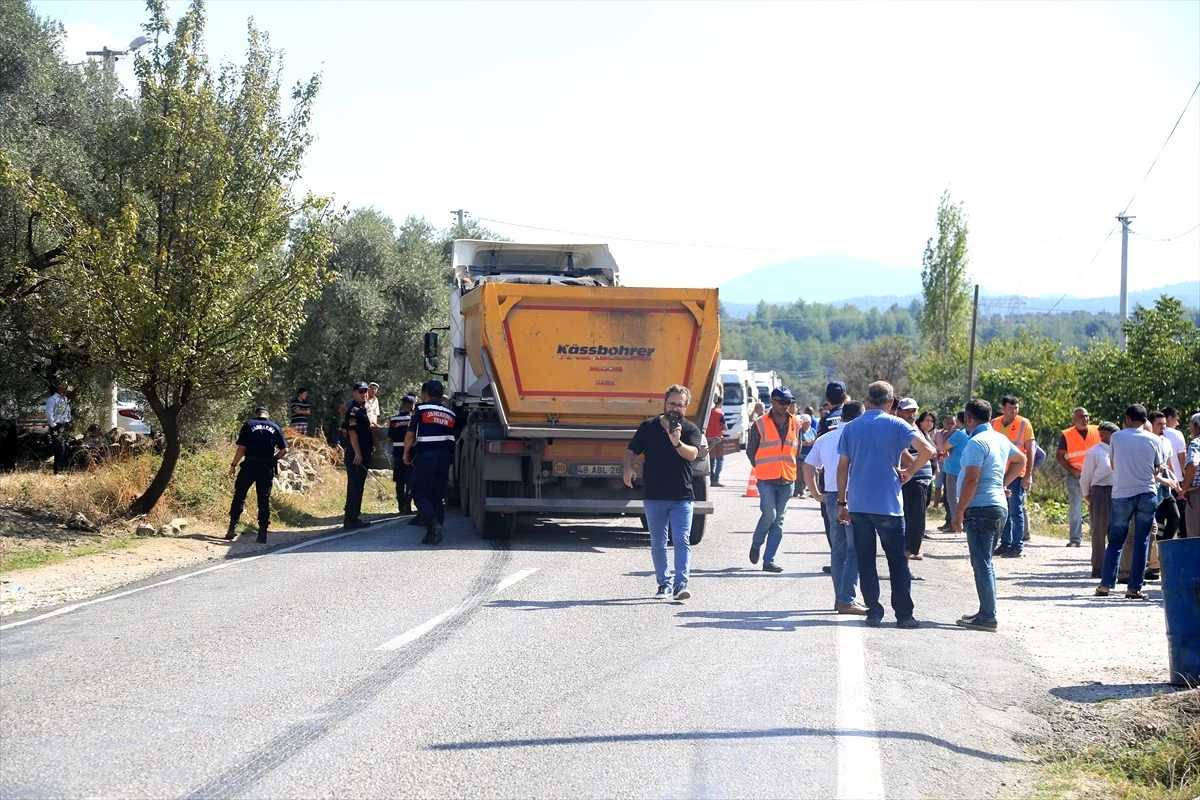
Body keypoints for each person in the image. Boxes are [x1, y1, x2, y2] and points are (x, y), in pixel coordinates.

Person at [836, 380, 936, 629]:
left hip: (859, 503)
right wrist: (910, 471)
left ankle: (874, 611)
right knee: (897, 562)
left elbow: (842, 467)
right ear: (891, 403)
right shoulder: (897, 424)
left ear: (867, 400)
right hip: (888, 504)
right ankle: (903, 615)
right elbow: (928, 450)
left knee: (866, 560)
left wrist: (842, 501)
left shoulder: (852, 427)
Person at [952, 398, 1027, 633]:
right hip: (997, 506)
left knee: (981, 562)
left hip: (981, 508)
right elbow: (1021, 460)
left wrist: (959, 511)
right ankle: (986, 611)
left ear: (970, 418)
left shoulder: (977, 442)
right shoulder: (1000, 438)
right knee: (986, 561)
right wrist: (1001, 483)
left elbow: (972, 479)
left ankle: (987, 615)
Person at [623, 384, 702, 601]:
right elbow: (631, 450)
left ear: (686, 407)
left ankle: (681, 585)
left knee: (681, 540)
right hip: (654, 496)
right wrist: (628, 467)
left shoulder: (690, 430)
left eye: (679, 405)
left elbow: (692, 454)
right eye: (671, 403)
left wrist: (676, 442)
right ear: (664, 404)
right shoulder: (648, 427)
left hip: (682, 497)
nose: (675, 408)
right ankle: (663, 584)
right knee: (658, 542)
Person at [803, 400, 866, 614]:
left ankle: (840, 597)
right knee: (855, 549)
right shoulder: (859, 437)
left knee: (838, 550)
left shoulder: (825, 438)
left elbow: (808, 466)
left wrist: (816, 493)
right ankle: (847, 598)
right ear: (860, 417)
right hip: (853, 497)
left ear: (841, 418)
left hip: (831, 496)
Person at [1096, 404, 1163, 600]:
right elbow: (1156, 469)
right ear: (1145, 420)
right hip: (1146, 492)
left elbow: (1113, 464)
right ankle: (1134, 588)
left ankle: (1105, 585)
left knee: (1116, 540)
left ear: (1127, 418)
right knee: (1142, 541)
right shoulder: (1154, 439)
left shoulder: (1117, 437)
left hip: (1122, 493)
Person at [746, 386, 801, 573]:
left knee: (779, 521)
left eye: (789, 402)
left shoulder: (796, 423)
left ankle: (769, 560)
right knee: (770, 515)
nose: (786, 406)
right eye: (782, 402)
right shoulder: (760, 423)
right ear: (773, 402)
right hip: (766, 479)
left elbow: (797, 448)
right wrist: (763, 466)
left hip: (787, 479)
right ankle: (756, 544)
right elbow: (750, 450)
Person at [404, 380, 457, 545]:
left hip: (426, 457)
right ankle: (434, 532)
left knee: (419, 494)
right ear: (441, 395)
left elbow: (410, 435)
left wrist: (406, 453)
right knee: (437, 496)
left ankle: (432, 524)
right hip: (445, 459)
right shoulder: (450, 414)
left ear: (425, 394)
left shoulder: (421, 409)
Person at [226, 405, 287, 544]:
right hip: (266, 467)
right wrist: (273, 459)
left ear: (256, 414)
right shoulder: (275, 427)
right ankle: (262, 534)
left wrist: (233, 465)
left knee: (239, 495)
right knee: (263, 499)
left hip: (249, 465)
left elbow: (242, 448)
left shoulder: (249, 425)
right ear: (268, 415)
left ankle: (232, 527)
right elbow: (284, 450)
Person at [991, 395, 1036, 557]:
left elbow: (1031, 450)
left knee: (1015, 510)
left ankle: (1017, 545)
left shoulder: (1024, 424)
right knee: (1003, 509)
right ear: (1003, 408)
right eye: (1010, 408)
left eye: (1016, 408)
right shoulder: (994, 423)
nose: (1014, 411)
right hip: (999, 473)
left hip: (1017, 473)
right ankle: (1005, 543)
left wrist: (1028, 474)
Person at [895, 399, 935, 560]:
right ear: (899, 411)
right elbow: (901, 451)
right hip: (913, 479)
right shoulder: (899, 427)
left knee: (917, 522)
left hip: (922, 479)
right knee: (912, 521)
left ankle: (909, 554)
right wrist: (913, 467)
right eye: (908, 411)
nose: (912, 414)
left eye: (914, 411)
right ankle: (904, 561)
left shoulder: (914, 428)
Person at [1055, 407, 1100, 548]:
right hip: (1076, 476)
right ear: (1074, 419)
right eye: (1081, 416)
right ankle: (1075, 539)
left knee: (1095, 507)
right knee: (1075, 507)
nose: (1084, 419)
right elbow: (1059, 456)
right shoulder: (1067, 434)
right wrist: (1072, 470)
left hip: (1095, 476)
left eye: (1086, 416)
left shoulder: (1098, 431)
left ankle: (1096, 538)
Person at [1080, 421, 1119, 578]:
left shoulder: (1120, 451)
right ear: (1103, 434)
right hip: (1100, 491)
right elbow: (1086, 476)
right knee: (1099, 531)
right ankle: (1098, 567)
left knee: (1116, 531)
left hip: (1118, 491)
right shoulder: (1095, 452)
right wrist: (1087, 495)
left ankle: (1114, 566)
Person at [340, 381, 375, 530]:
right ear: (354, 393)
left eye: (366, 392)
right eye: (361, 392)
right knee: (354, 486)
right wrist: (358, 453)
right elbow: (352, 433)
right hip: (356, 455)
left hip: (363, 454)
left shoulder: (362, 409)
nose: (364, 394)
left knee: (358, 486)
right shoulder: (353, 410)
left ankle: (354, 516)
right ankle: (350, 519)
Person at [1149, 410, 1181, 542]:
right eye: (1159, 424)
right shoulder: (1147, 440)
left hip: (1165, 487)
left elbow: (1169, 464)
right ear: (1151, 424)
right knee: (1155, 523)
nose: (1163, 427)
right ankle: (1152, 555)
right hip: (1150, 486)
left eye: (1164, 424)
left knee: (1175, 517)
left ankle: (1163, 546)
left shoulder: (1166, 442)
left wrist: (1177, 484)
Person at [938, 412, 970, 532]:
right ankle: (963, 523)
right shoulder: (970, 433)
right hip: (965, 469)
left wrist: (951, 431)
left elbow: (943, 446)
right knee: (963, 497)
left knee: (952, 498)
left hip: (953, 469)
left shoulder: (958, 434)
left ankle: (954, 523)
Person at [388, 395, 416, 514]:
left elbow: (389, 438)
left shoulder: (394, 420)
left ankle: (400, 505)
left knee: (399, 480)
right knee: (410, 479)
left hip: (397, 452)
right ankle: (408, 504)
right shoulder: (413, 419)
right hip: (411, 452)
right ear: (411, 405)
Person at [1162, 407, 1189, 536]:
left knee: (1160, 517)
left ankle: (1156, 546)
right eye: (1176, 420)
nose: (1178, 423)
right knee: (1178, 517)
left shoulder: (1154, 433)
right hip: (1176, 481)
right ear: (1169, 418)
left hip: (1160, 481)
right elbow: (1183, 460)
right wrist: (1186, 480)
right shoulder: (1177, 434)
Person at [45, 382, 73, 475]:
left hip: (65, 425)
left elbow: (67, 412)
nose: (64, 388)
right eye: (61, 386)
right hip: (57, 425)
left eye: (65, 387)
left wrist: (68, 421)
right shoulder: (52, 399)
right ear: (57, 387)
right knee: (59, 447)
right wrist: (53, 425)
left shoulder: (65, 399)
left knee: (65, 447)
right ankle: (57, 471)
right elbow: (49, 414)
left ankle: (62, 468)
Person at [1183, 412, 1200, 538]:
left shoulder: (1196, 443)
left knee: (1195, 538)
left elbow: (1193, 464)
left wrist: (1185, 488)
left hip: (1197, 494)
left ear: (1196, 426)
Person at [705, 393, 726, 487]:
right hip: (718, 439)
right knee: (720, 460)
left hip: (708, 438)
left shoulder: (709, 412)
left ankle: (711, 479)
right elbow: (724, 427)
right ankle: (716, 480)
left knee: (712, 461)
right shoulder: (720, 413)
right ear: (721, 403)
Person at [794, 411, 815, 497]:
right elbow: (796, 442)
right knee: (800, 475)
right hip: (801, 456)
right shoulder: (799, 431)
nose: (808, 425)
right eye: (806, 423)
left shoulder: (812, 430)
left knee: (813, 474)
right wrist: (806, 443)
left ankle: (813, 491)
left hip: (811, 456)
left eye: (809, 423)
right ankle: (800, 490)